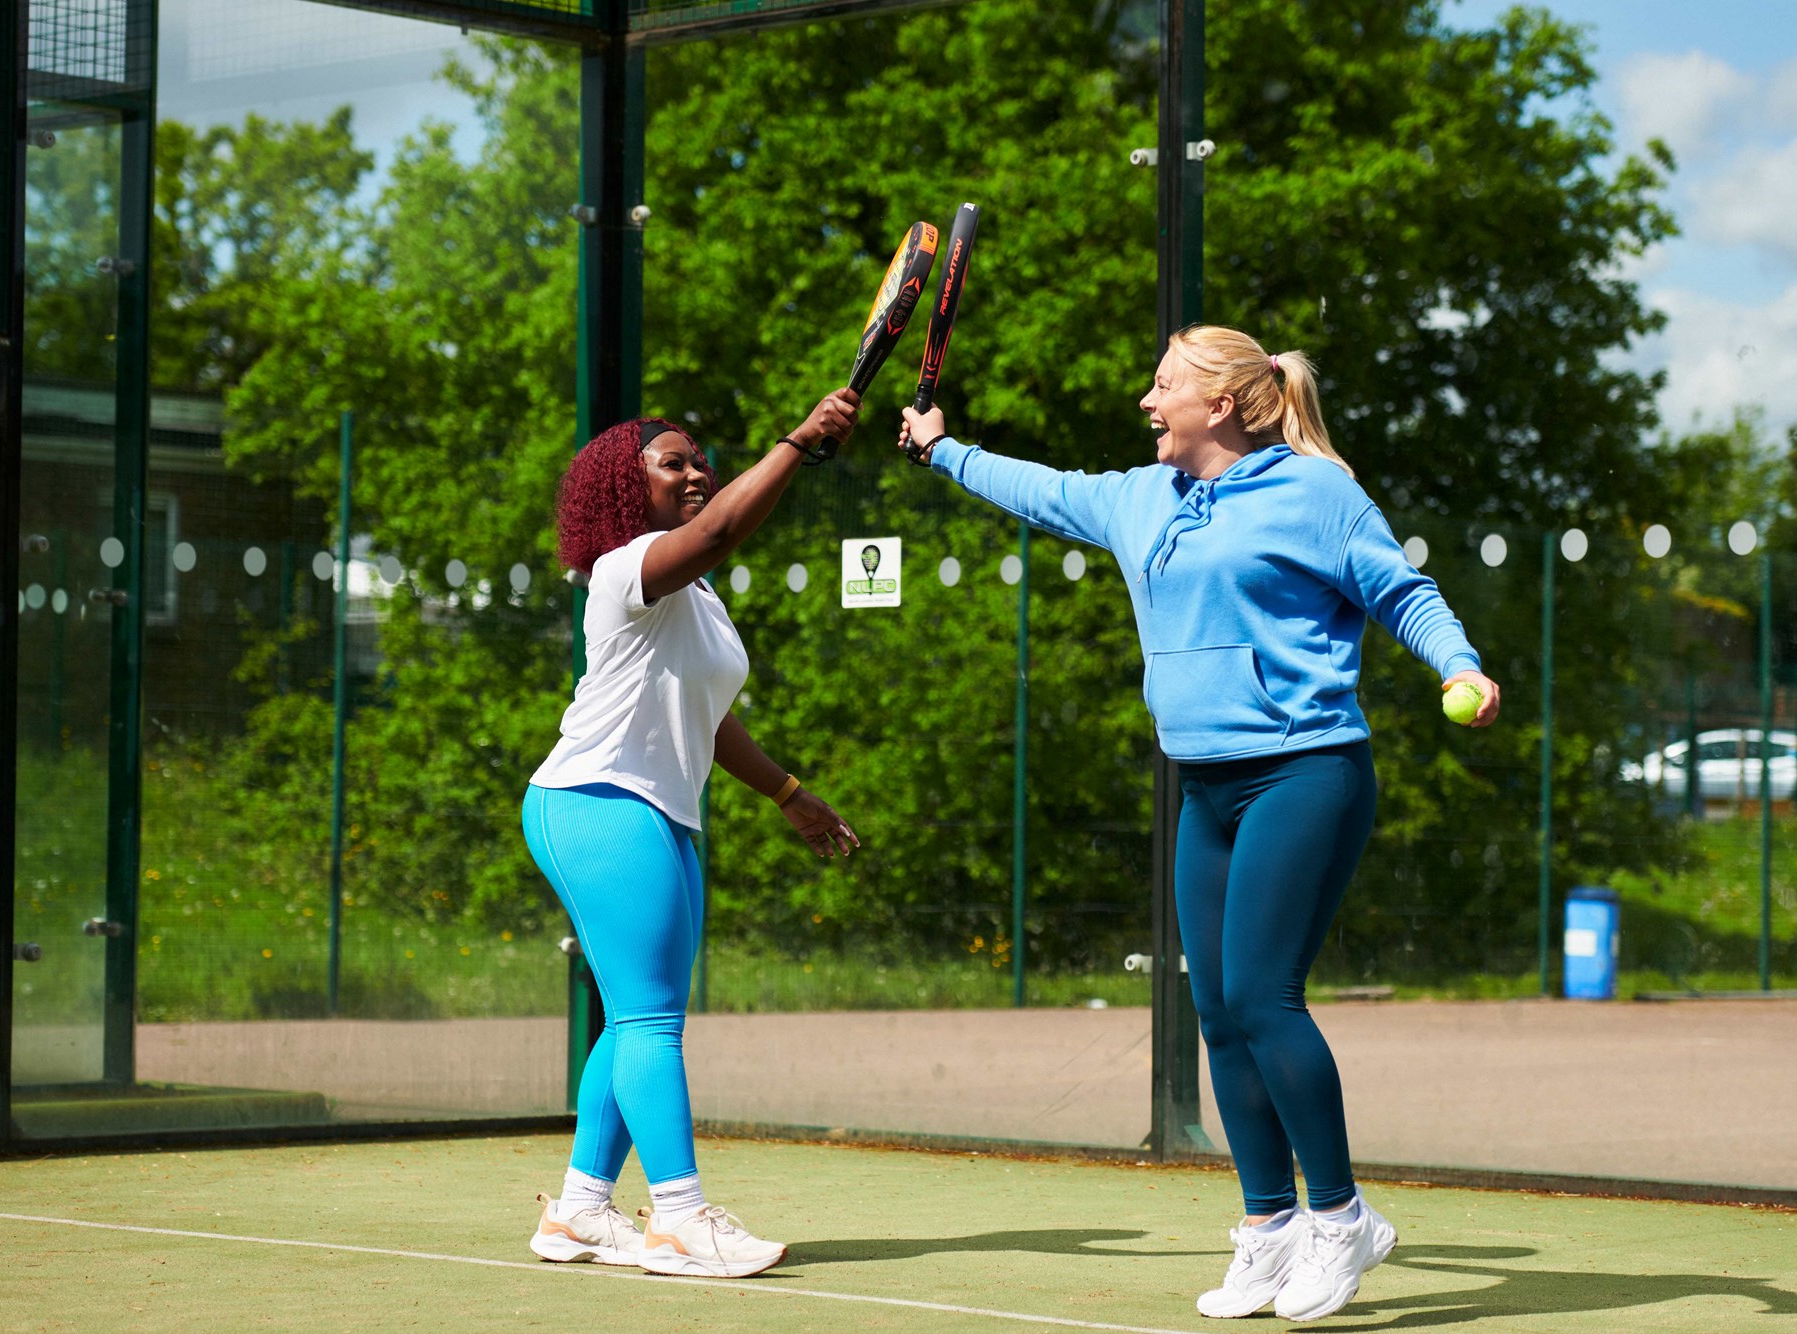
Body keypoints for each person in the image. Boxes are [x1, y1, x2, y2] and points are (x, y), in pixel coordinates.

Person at [897, 326, 1499, 1323]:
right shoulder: (1140, 499)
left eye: (1163, 383)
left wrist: (1459, 664)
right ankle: (1268, 1227)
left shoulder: (1316, 493)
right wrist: (941, 447)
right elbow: (1039, 489)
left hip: (1305, 770)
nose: (1146, 398)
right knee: (1215, 1009)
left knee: (1264, 996)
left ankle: (1342, 1219)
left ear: (1218, 403)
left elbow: (1402, 590)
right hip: (1204, 786)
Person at [524, 391, 861, 1279]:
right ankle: (678, 1219)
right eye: (672, 462)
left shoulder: (697, 598)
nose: (696, 471)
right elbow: (715, 534)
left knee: (643, 1018)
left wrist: (790, 793)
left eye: (699, 460)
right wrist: (800, 441)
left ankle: (579, 1214)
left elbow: (707, 718)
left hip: (660, 811)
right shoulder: (624, 566)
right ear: (625, 490)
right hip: (595, 803)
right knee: (647, 1019)